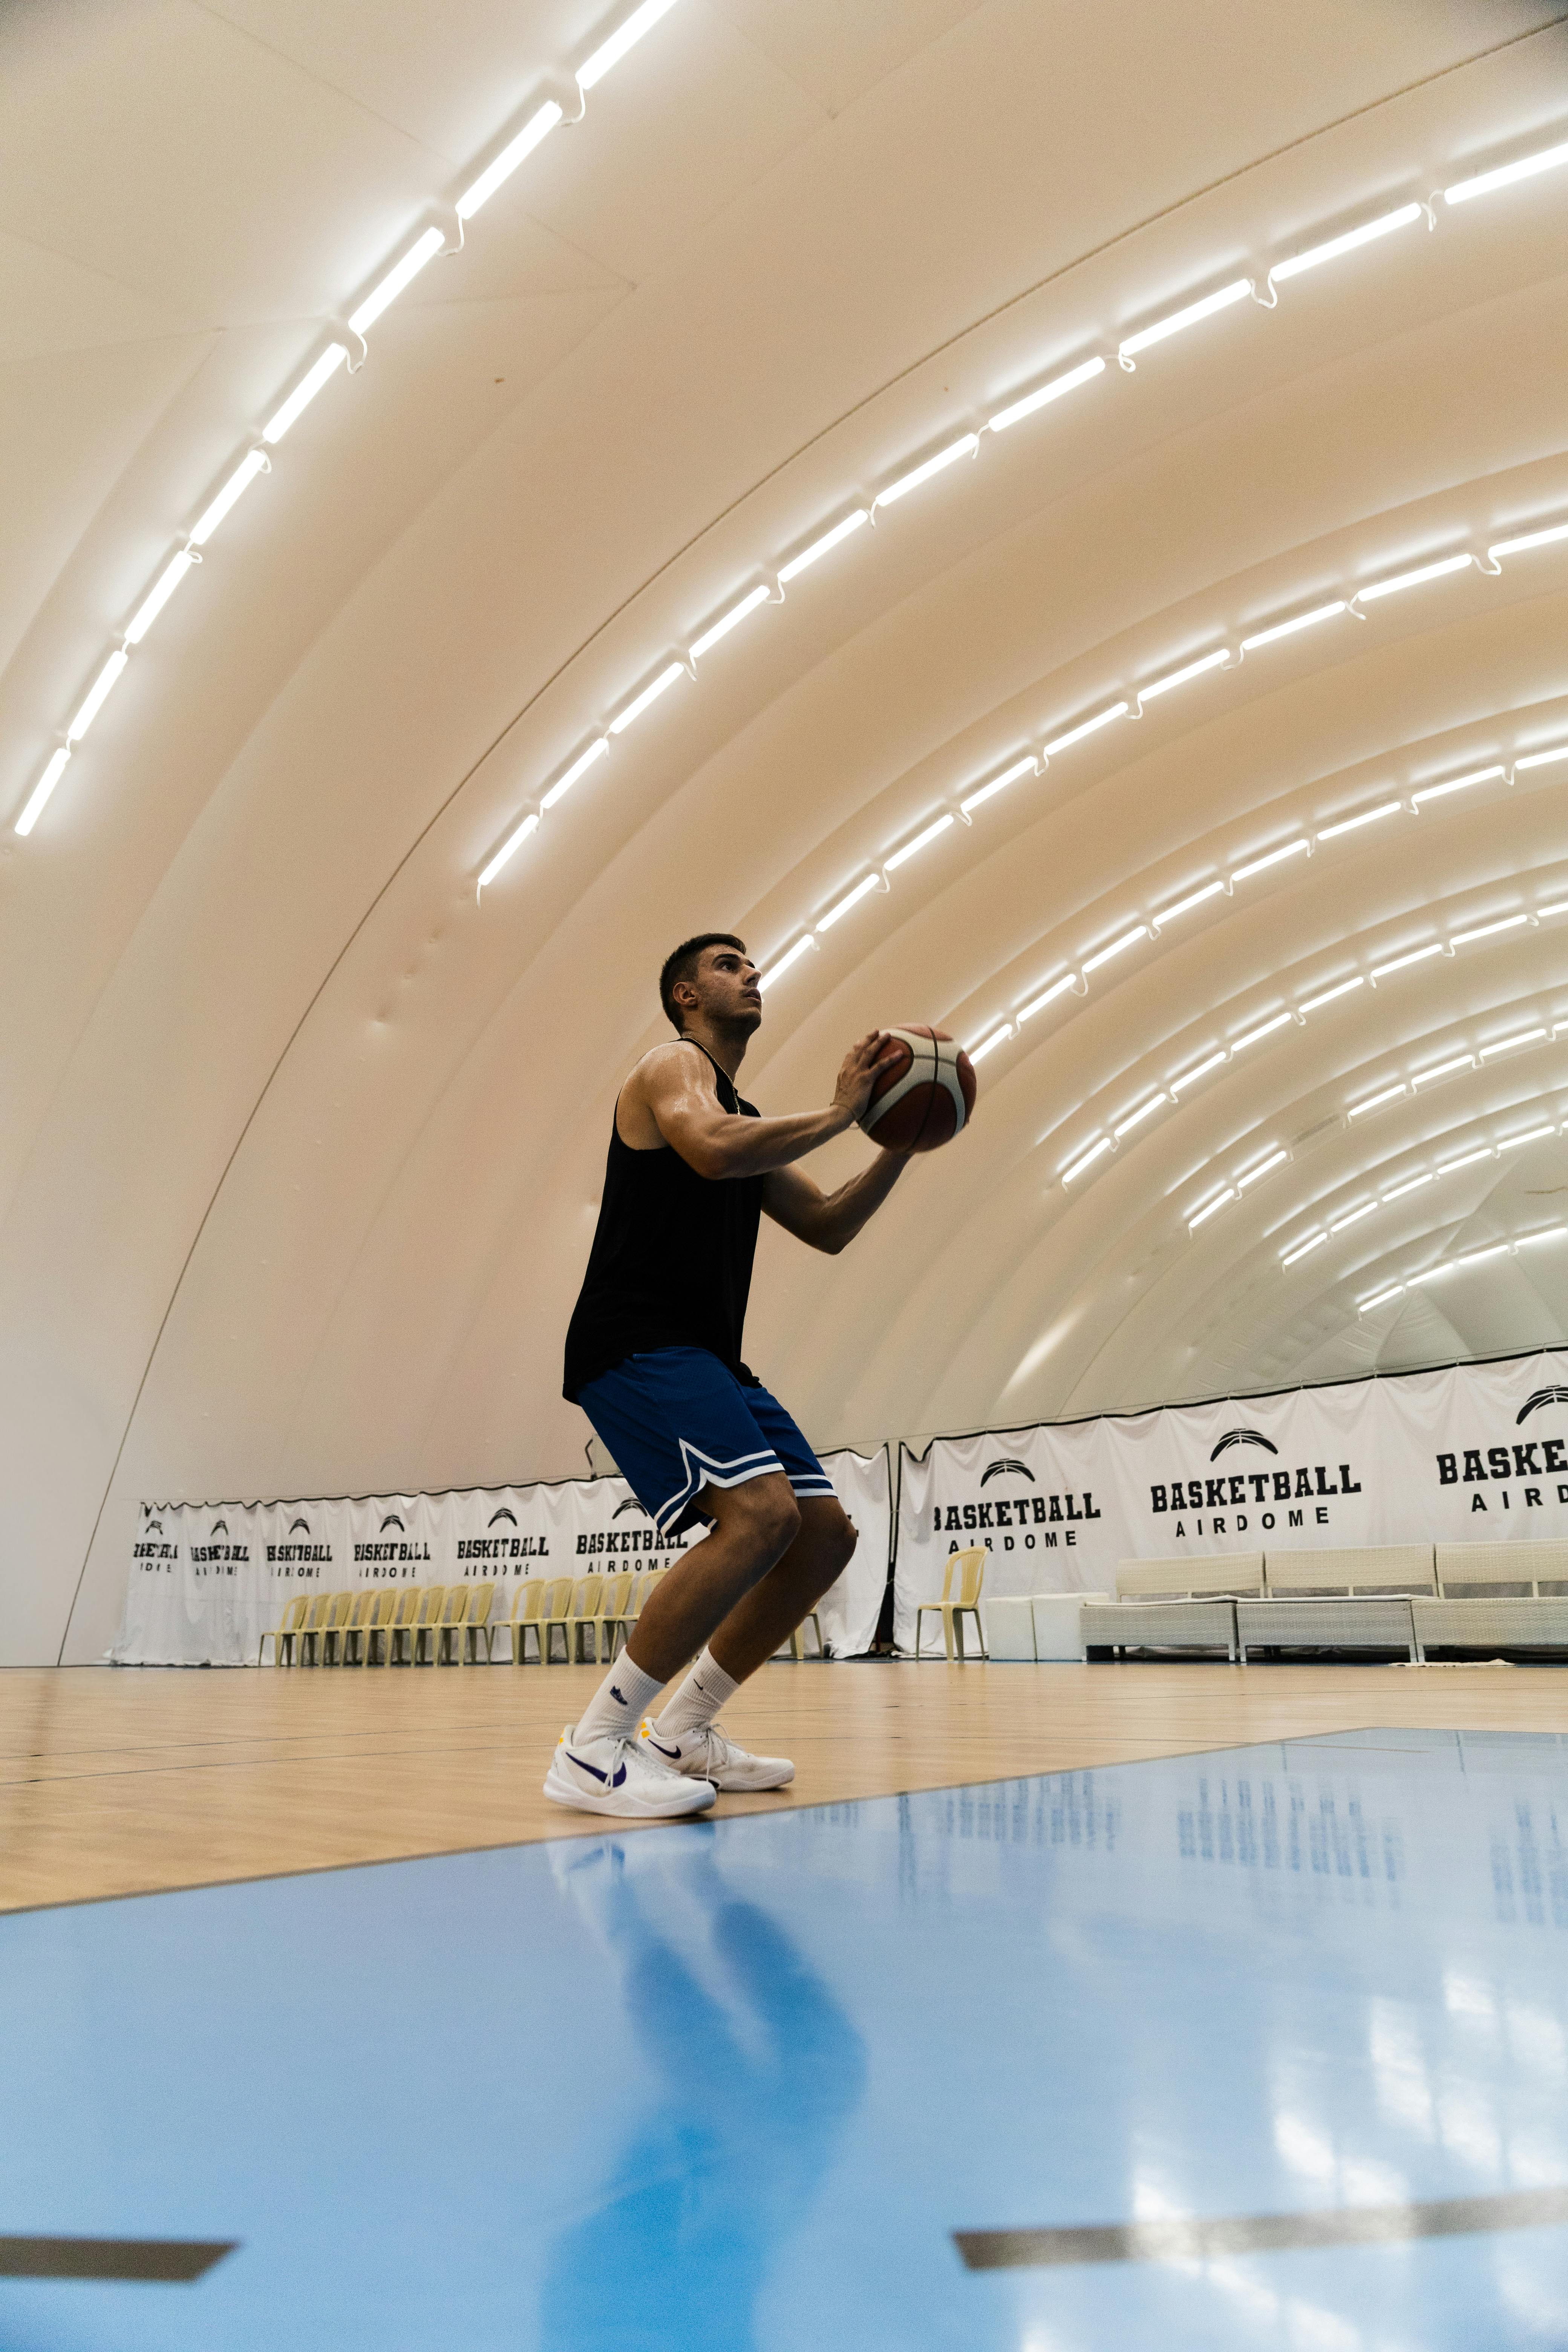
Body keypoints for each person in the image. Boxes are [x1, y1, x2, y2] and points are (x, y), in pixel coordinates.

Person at [548, 932, 912, 1818]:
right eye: (727, 965)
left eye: (751, 965)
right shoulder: (670, 1068)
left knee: (823, 1534)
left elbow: (825, 1222)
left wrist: (898, 1143)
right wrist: (836, 1113)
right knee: (759, 1515)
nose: (751, 974)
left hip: (708, 1355)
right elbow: (709, 1148)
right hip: (635, 1342)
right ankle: (594, 1749)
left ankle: (684, 1732)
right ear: (684, 995)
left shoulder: (740, 1113)